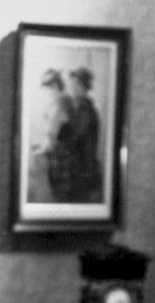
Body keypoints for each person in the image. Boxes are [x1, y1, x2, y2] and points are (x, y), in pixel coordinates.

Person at [29, 68, 78, 203]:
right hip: (60, 155)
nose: (47, 93)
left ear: (55, 86)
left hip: (62, 157)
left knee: (58, 195)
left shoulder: (62, 104)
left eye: (48, 88)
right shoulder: (59, 103)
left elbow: (52, 136)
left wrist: (39, 150)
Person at [67, 66, 104, 202]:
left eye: (76, 84)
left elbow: (74, 139)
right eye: (73, 83)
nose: (73, 87)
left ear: (83, 86)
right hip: (82, 171)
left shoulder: (85, 111)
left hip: (83, 173)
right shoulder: (83, 109)